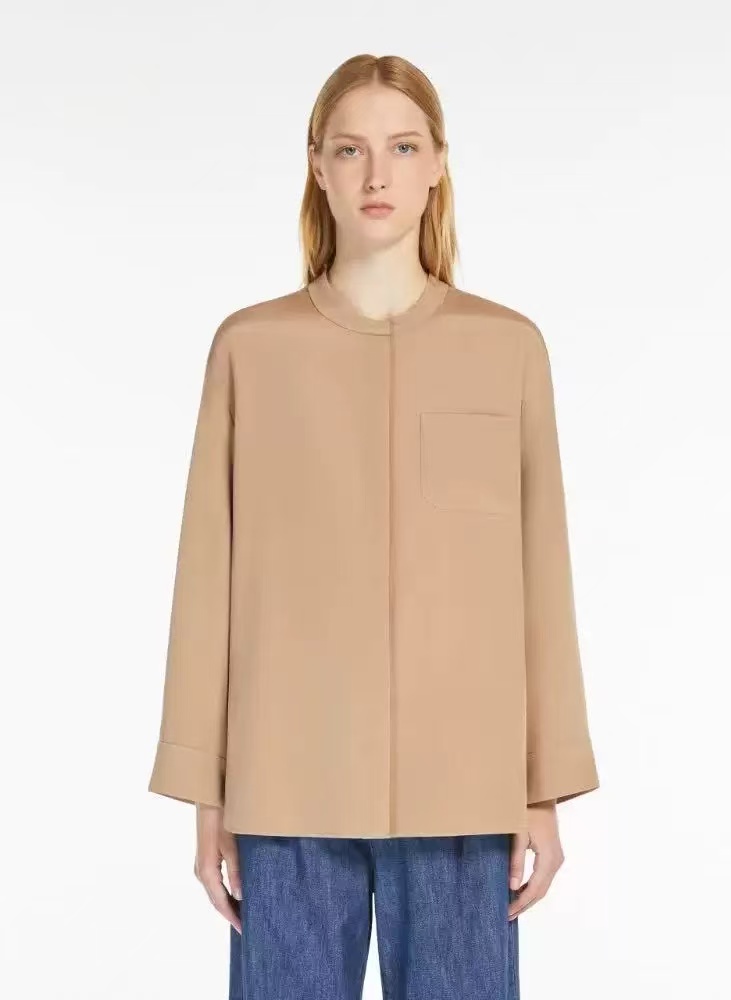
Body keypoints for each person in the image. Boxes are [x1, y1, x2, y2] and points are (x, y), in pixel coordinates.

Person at [147, 53, 600, 1000]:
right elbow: (206, 579)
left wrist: (542, 785)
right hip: (285, 782)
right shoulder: (252, 349)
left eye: (402, 147)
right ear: (317, 165)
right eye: (350, 149)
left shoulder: (507, 348)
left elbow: (540, 577)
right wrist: (207, 791)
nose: (376, 174)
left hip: (463, 788)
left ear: (438, 164)